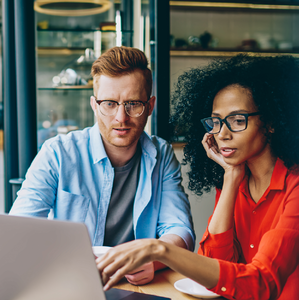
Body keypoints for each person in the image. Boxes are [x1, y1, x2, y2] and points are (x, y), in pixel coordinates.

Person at [95, 55, 299, 300]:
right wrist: (231, 178)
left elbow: (262, 284)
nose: (222, 134)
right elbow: (214, 265)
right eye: (216, 121)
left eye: (236, 120)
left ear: (271, 122)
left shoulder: (294, 187)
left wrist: (158, 249)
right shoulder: (236, 181)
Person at [9, 46, 195, 285]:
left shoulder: (162, 154)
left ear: (149, 106)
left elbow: (180, 230)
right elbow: (20, 231)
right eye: (109, 103)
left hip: (139, 286)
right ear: (94, 105)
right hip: (69, 281)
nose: (121, 117)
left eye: (133, 104)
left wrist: (154, 260)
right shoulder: (57, 153)